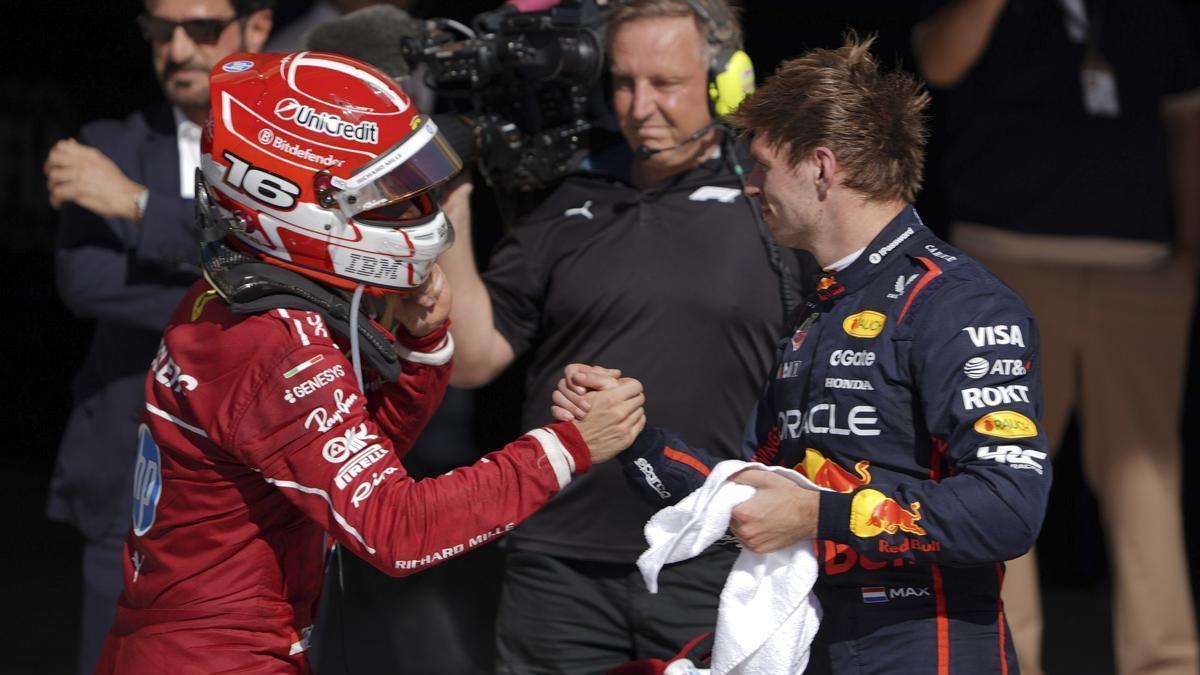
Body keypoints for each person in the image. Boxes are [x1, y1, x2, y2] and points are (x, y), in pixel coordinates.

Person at [94, 50, 647, 673]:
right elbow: (396, 528)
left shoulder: (229, 297)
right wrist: (568, 447)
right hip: (219, 656)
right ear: (285, 198)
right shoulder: (272, 342)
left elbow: (352, 464)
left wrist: (418, 347)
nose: (412, 210)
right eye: (385, 194)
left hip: (187, 638)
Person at [557, 34, 1051, 674]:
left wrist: (818, 514)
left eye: (761, 166)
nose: (749, 187)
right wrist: (633, 439)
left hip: (925, 644)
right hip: (810, 637)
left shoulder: (960, 303)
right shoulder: (817, 310)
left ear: (821, 167)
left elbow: (1008, 508)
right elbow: (752, 495)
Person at [438, 0, 811, 671]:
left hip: (715, 554)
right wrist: (453, 204)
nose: (641, 107)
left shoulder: (775, 202)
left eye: (665, 83)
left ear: (727, 82)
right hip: (558, 563)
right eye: (624, 82)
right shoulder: (567, 196)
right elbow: (470, 360)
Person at [911, 2, 1200, 673]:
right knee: (1000, 468)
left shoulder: (1153, 14)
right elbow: (937, 62)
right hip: (1005, 266)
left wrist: (1191, 254)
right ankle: (1002, 659)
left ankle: (1168, 662)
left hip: (1143, 272)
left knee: (1147, 479)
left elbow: (1189, 125)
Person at [43, 1, 273, 671]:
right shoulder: (107, 146)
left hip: (258, 473)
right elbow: (88, 283)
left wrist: (140, 206)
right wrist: (242, 290)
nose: (176, 50)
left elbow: (297, 277)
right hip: (127, 462)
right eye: (159, 31)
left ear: (257, 27)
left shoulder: (285, 149)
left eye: (200, 28)